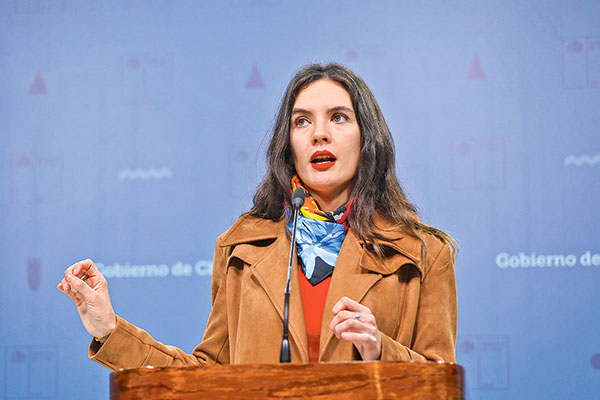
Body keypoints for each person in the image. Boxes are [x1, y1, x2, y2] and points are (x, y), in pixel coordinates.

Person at [57, 63, 457, 370]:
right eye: (302, 121)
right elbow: (208, 377)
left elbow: (440, 383)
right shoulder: (241, 248)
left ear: (367, 137)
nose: (319, 133)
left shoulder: (424, 254)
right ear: (289, 145)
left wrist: (379, 350)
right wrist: (109, 329)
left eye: (338, 117)